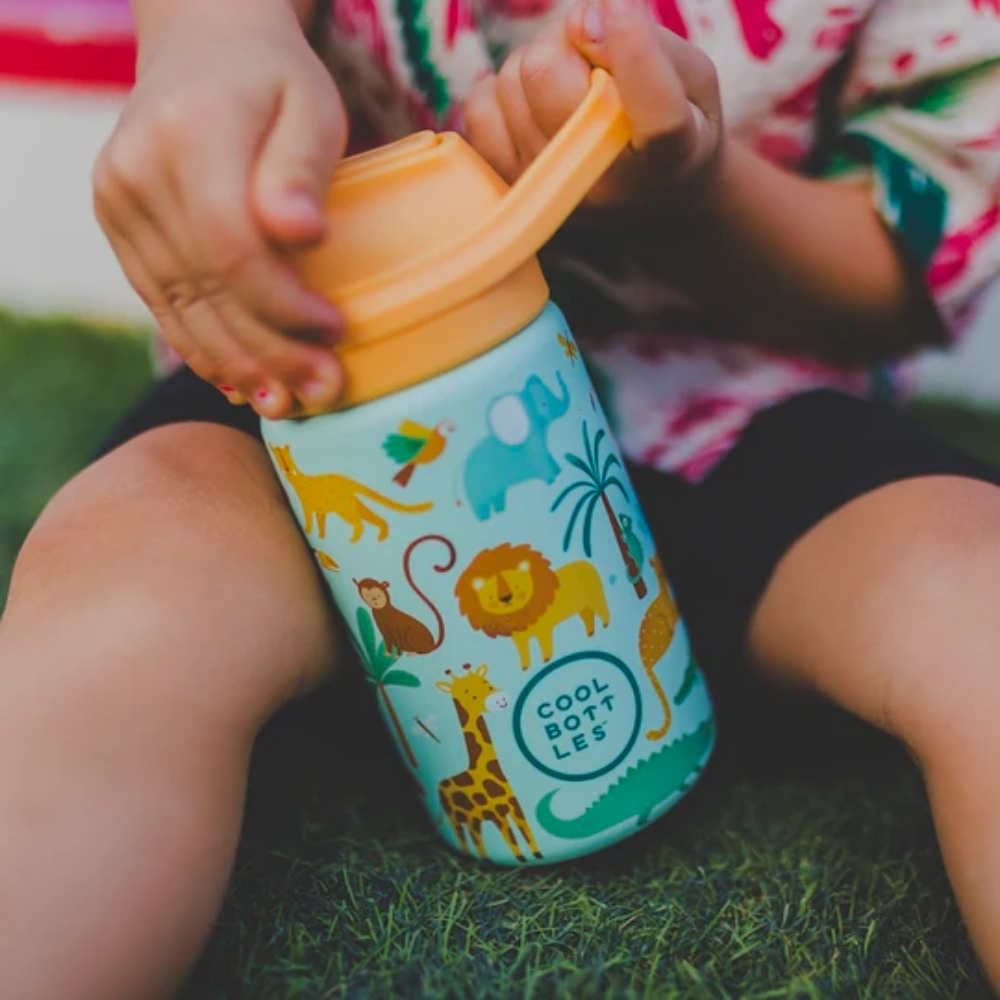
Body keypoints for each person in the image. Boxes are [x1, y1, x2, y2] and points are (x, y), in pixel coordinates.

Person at [1, 0, 999, 994]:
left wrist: (696, 195)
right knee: (129, 575)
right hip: (328, 394)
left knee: (974, 592)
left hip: (753, 423)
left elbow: (902, 263)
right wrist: (213, 41)